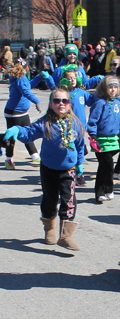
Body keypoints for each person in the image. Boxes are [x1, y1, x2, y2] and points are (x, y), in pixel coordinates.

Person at [1, 87, 85, 251]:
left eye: (65, 101)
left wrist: (80, 163)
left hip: (68, 169)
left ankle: (65, 236)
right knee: (50, 199)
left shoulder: (75, 123)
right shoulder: (45, 122)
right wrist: (17, 130)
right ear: (51, 104)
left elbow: (80, 144)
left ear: (69, 104)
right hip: (48, 168)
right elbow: (29, 133)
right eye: (57, 101)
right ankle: (50, 230)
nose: (61, 103)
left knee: (69, 201)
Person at [87, 76, 120, 203]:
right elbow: (92, 121)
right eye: (110, 87)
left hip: (113, 138)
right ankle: (108, 189)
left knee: (103, 166)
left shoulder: (118, 103)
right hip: (101, 139)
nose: (113, 90)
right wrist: (92, 135)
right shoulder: (100, 103)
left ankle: (100, 192)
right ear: (104, 88)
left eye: (115, 87)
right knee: (108, 164)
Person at [57, 66, 95, 186]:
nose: (72, 80)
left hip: (80, 128)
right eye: (69, 78)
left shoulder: (82, 93)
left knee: (80, 150)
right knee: (69, 150)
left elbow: (93, 101)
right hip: (67, 128)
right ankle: (67, 171)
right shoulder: (63, 95)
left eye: (74, 77)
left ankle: (79, 173)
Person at [3, 58, 44, 169]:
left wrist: (38, 78)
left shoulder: (21, 78)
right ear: (26, 67)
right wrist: (37, 101)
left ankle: (35, 156)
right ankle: (9, 159)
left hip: (20, 112)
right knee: (13, 137)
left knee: (27, 133)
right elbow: (25, 91)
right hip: (15, 113)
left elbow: (28, 86)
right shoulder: (20, 77)